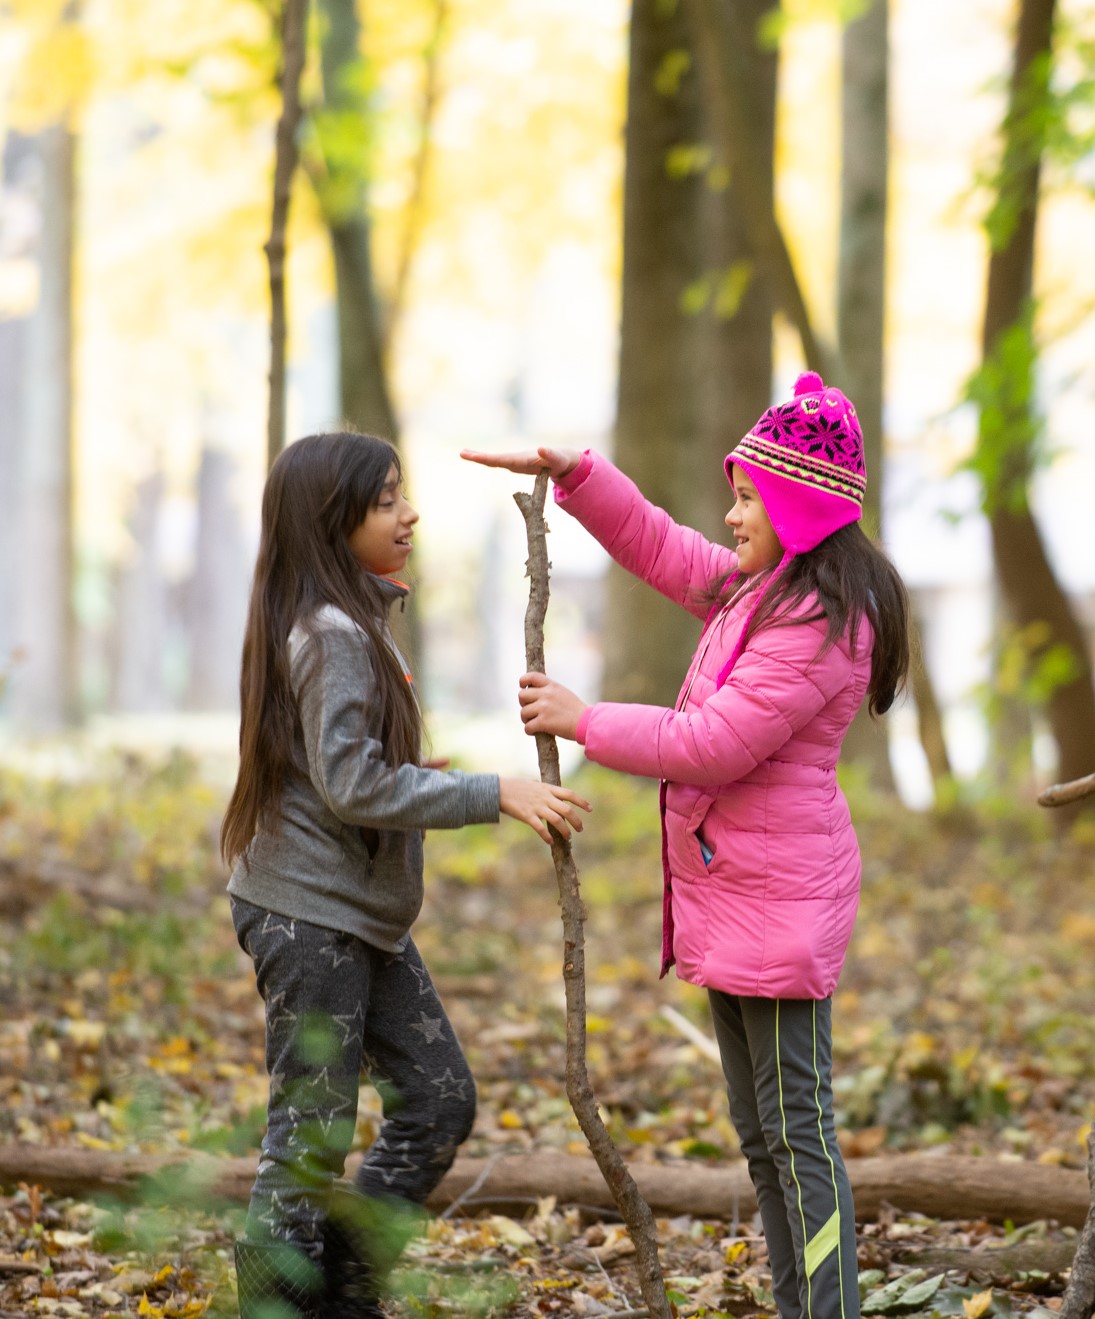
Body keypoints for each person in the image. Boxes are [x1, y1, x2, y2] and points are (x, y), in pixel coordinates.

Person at [462, 372, 910, 1319]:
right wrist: (580, 473)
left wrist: (586, 722)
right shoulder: (763, 588)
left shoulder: (820, 623)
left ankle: (826, 1309)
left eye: (747, 494)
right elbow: (662, 547)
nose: (729, 510)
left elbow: (715, 745)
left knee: (799, 1131)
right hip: (738, 897)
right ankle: (799, 1303)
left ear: (794, 507)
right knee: (760, 1134)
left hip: (779, 909)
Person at [221, 431, 591, 1319]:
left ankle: (342, 1289)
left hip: (355, 913)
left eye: (402, 495)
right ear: (333, 520)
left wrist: (416, 765)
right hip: (308, 914)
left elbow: (334, 762)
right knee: (308, 1136)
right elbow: (350, 786)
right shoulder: (331, 631)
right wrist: (487, 790)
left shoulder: (347, 622)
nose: (409, 513)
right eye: (387, 500)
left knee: (436, 1097)